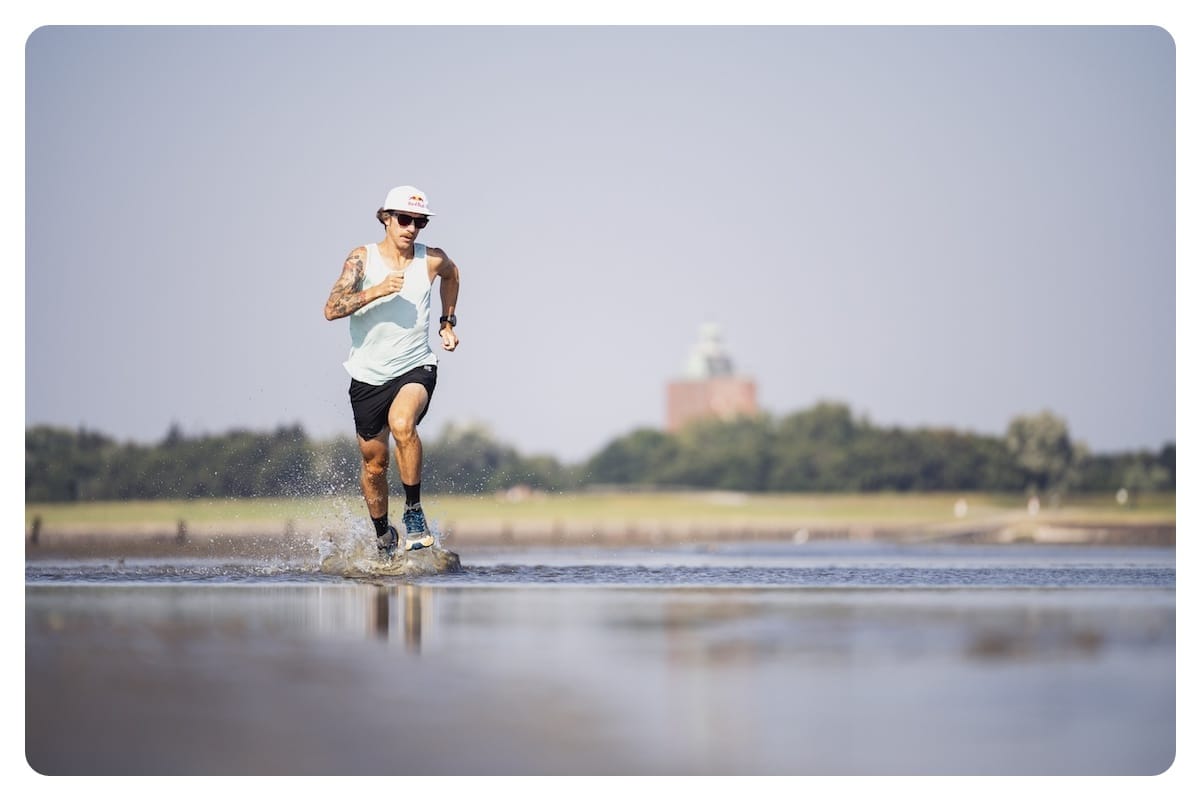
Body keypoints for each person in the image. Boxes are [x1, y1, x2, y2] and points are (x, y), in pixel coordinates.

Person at [324, 185, 460, 557]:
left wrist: (447, 322)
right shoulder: (362, 259)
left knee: (403, 423)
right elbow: (332, 308)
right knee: (374, 465)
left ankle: (414, 512)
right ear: (386, 218)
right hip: (368, 377)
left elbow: (452, 274)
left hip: (416, 366)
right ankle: (384, 536)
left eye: (420, 222)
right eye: (404, 219)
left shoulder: (430, 260)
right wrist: (378, 290)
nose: (411, 228)